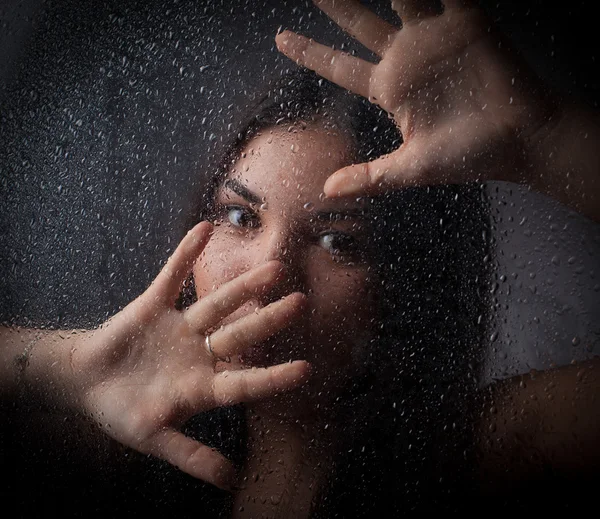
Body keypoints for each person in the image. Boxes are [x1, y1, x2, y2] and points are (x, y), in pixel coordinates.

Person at [1, 0, 599, 515]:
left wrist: (546, 143)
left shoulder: (482, 448)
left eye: (339, 240)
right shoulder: (133, 426)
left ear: (407, 279)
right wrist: (71, 367)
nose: (268, 274)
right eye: (240, 217)